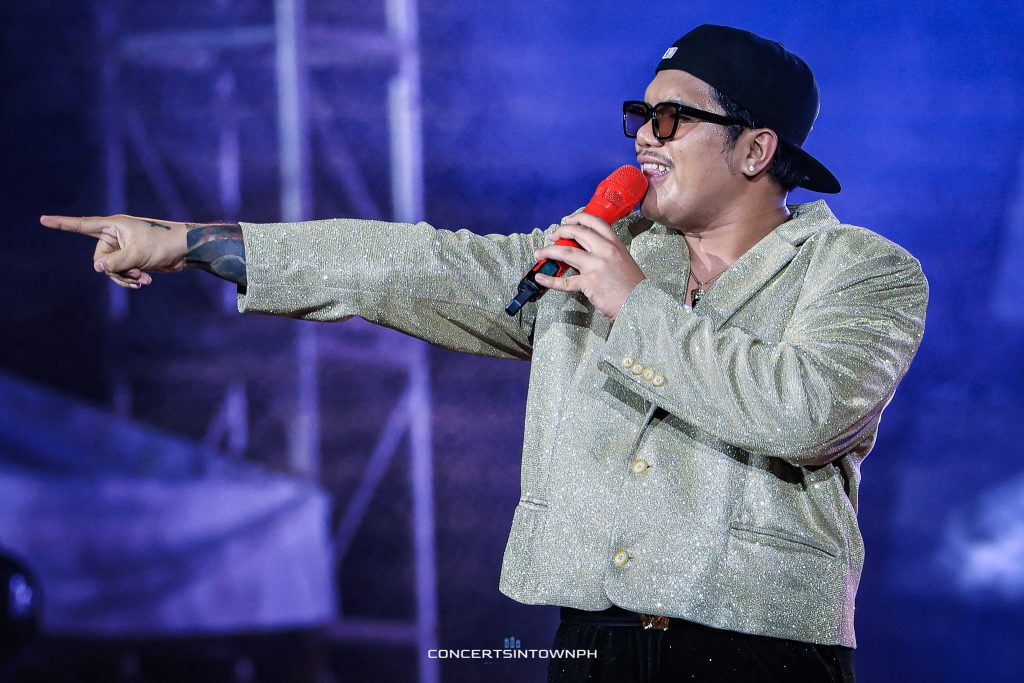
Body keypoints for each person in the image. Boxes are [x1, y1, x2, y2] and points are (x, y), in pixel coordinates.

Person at [41, 24, 927, 683]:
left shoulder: (861, 271)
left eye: (670, 117)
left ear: (757, 147)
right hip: (592, 642)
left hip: (762, 651)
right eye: (638, 116)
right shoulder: (595, 257)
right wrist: (189, 241)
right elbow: (412, 265)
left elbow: (804, 410)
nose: (643, 138)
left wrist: (630, 302)